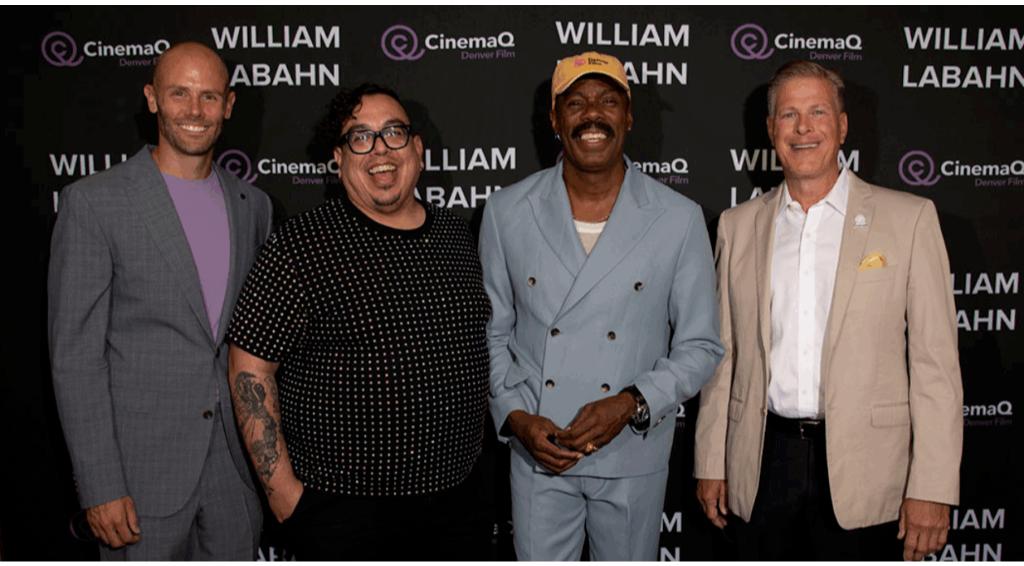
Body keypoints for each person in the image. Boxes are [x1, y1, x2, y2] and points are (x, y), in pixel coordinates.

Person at [693, 60, 962, 561]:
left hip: (870, 471)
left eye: (818, 112)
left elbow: (936, 366)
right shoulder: (737, 226)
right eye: (789, 115)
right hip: (763, 461)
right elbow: (722, 357)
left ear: (841, 125)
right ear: (771, 130)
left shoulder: (909, 219)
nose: (803, 128)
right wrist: (712, 459)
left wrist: (933, 484)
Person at [225, 83, 492, 560]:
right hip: (340, 515)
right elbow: (249, 366)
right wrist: (284, 494)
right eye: (360, 138)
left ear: (417, 150)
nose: (379, 151)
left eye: (393, 133)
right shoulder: (301, 246)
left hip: (457, 506)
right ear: (339, 158)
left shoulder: (458, 237)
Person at [479, 51, 723, 560]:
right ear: (555, 119)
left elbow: (700, 345)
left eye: (608, 101)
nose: (592, 115)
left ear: (629, 116)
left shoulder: (678, 219)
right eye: (576, 103)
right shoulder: (506, 212)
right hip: (539, 451)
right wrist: (516, 416)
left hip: (632, 453)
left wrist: (632, 402)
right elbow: (493, 331)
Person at [48, 41, 272, 560]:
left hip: (234, 477)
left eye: (209, 97)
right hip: (138, 479)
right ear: (152, 99)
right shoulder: (94, 202)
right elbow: (75, 359)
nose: (195, 111)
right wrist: (100, 484)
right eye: (180, 93)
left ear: (229, 105)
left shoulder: (253, 206)